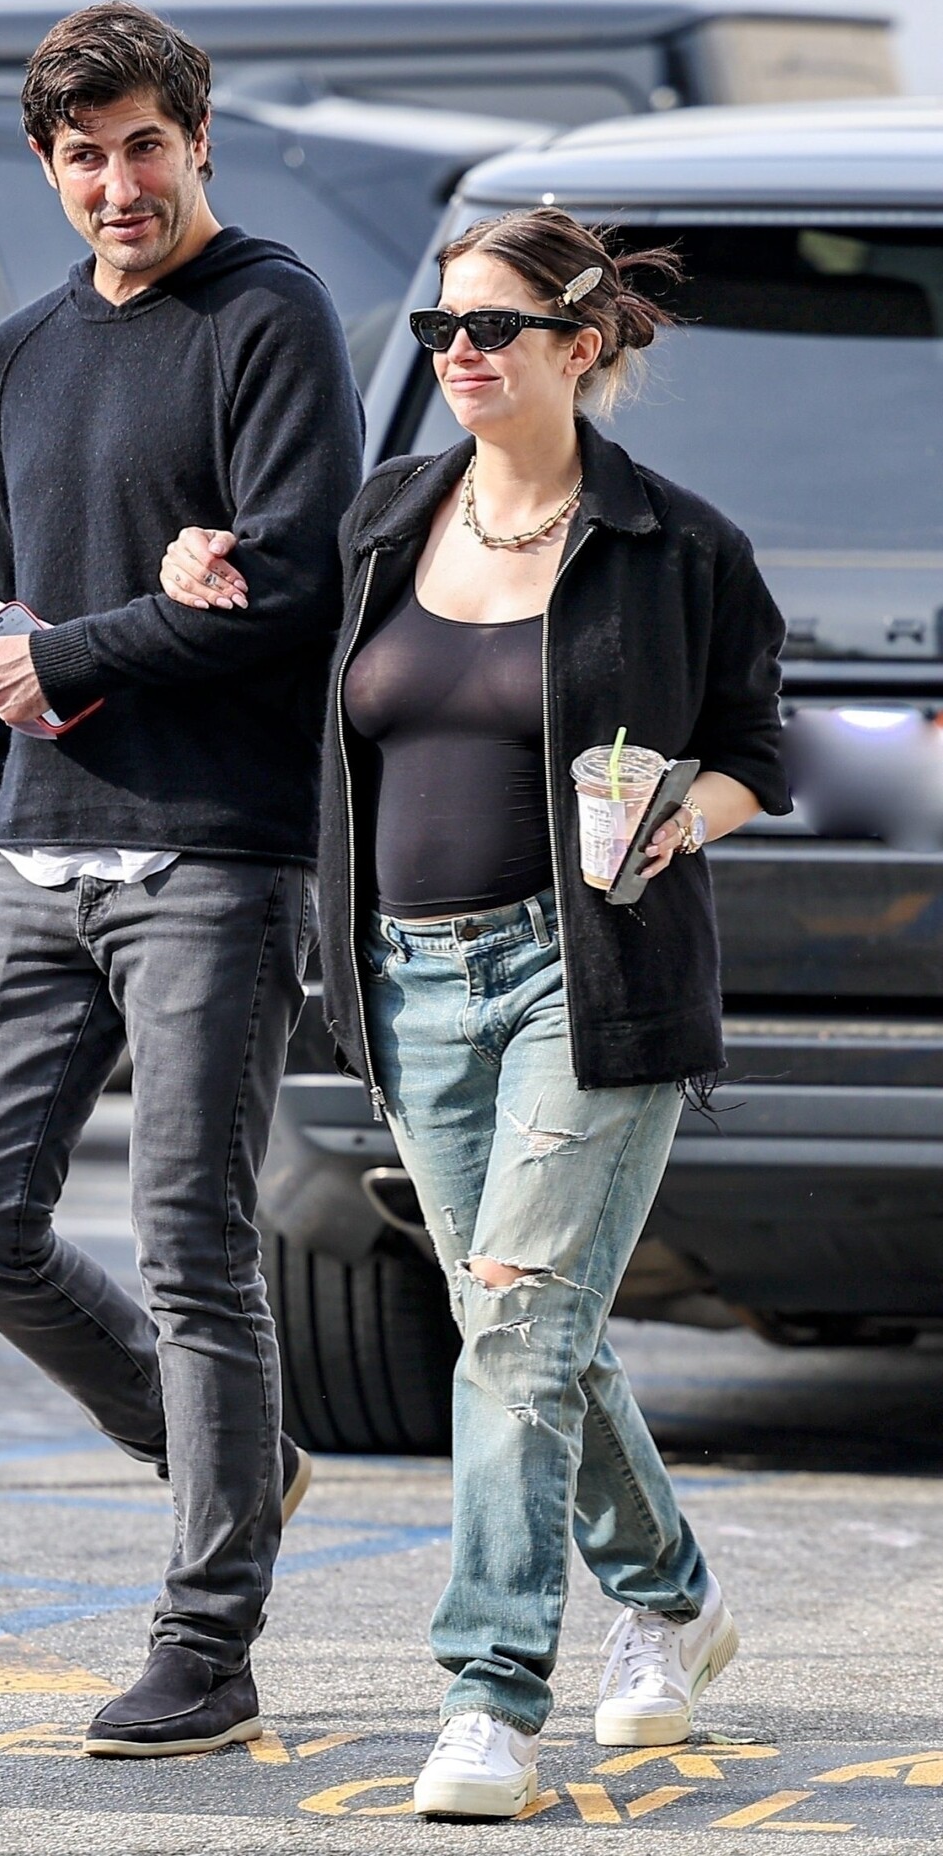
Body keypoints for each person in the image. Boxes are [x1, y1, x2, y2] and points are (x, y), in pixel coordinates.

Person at [157, 207, 790, 1817]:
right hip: (406, 981)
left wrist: (683, 817)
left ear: (580, 346)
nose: (459, 352)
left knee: (511, 1322)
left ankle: (489, 1696)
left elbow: (754, 750)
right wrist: (195, 573)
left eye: (494, 327)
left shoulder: (674, 545)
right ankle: (672, 1598)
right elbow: (282, 652)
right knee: (524, 1329)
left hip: (586, 980)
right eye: (443, 326)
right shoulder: (386, 518)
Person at [0, 1, 364, 1758]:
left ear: (197, 140)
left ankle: (205, 1643)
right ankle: (224, 1456)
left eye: (144, 146)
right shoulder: (21, 353)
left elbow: (293, 589)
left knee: (192, 1246)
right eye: (83, 157)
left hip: (214, 856)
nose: (118, 185)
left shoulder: (267, 316)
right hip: (29, 846)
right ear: (46, 166)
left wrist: (81, 652)